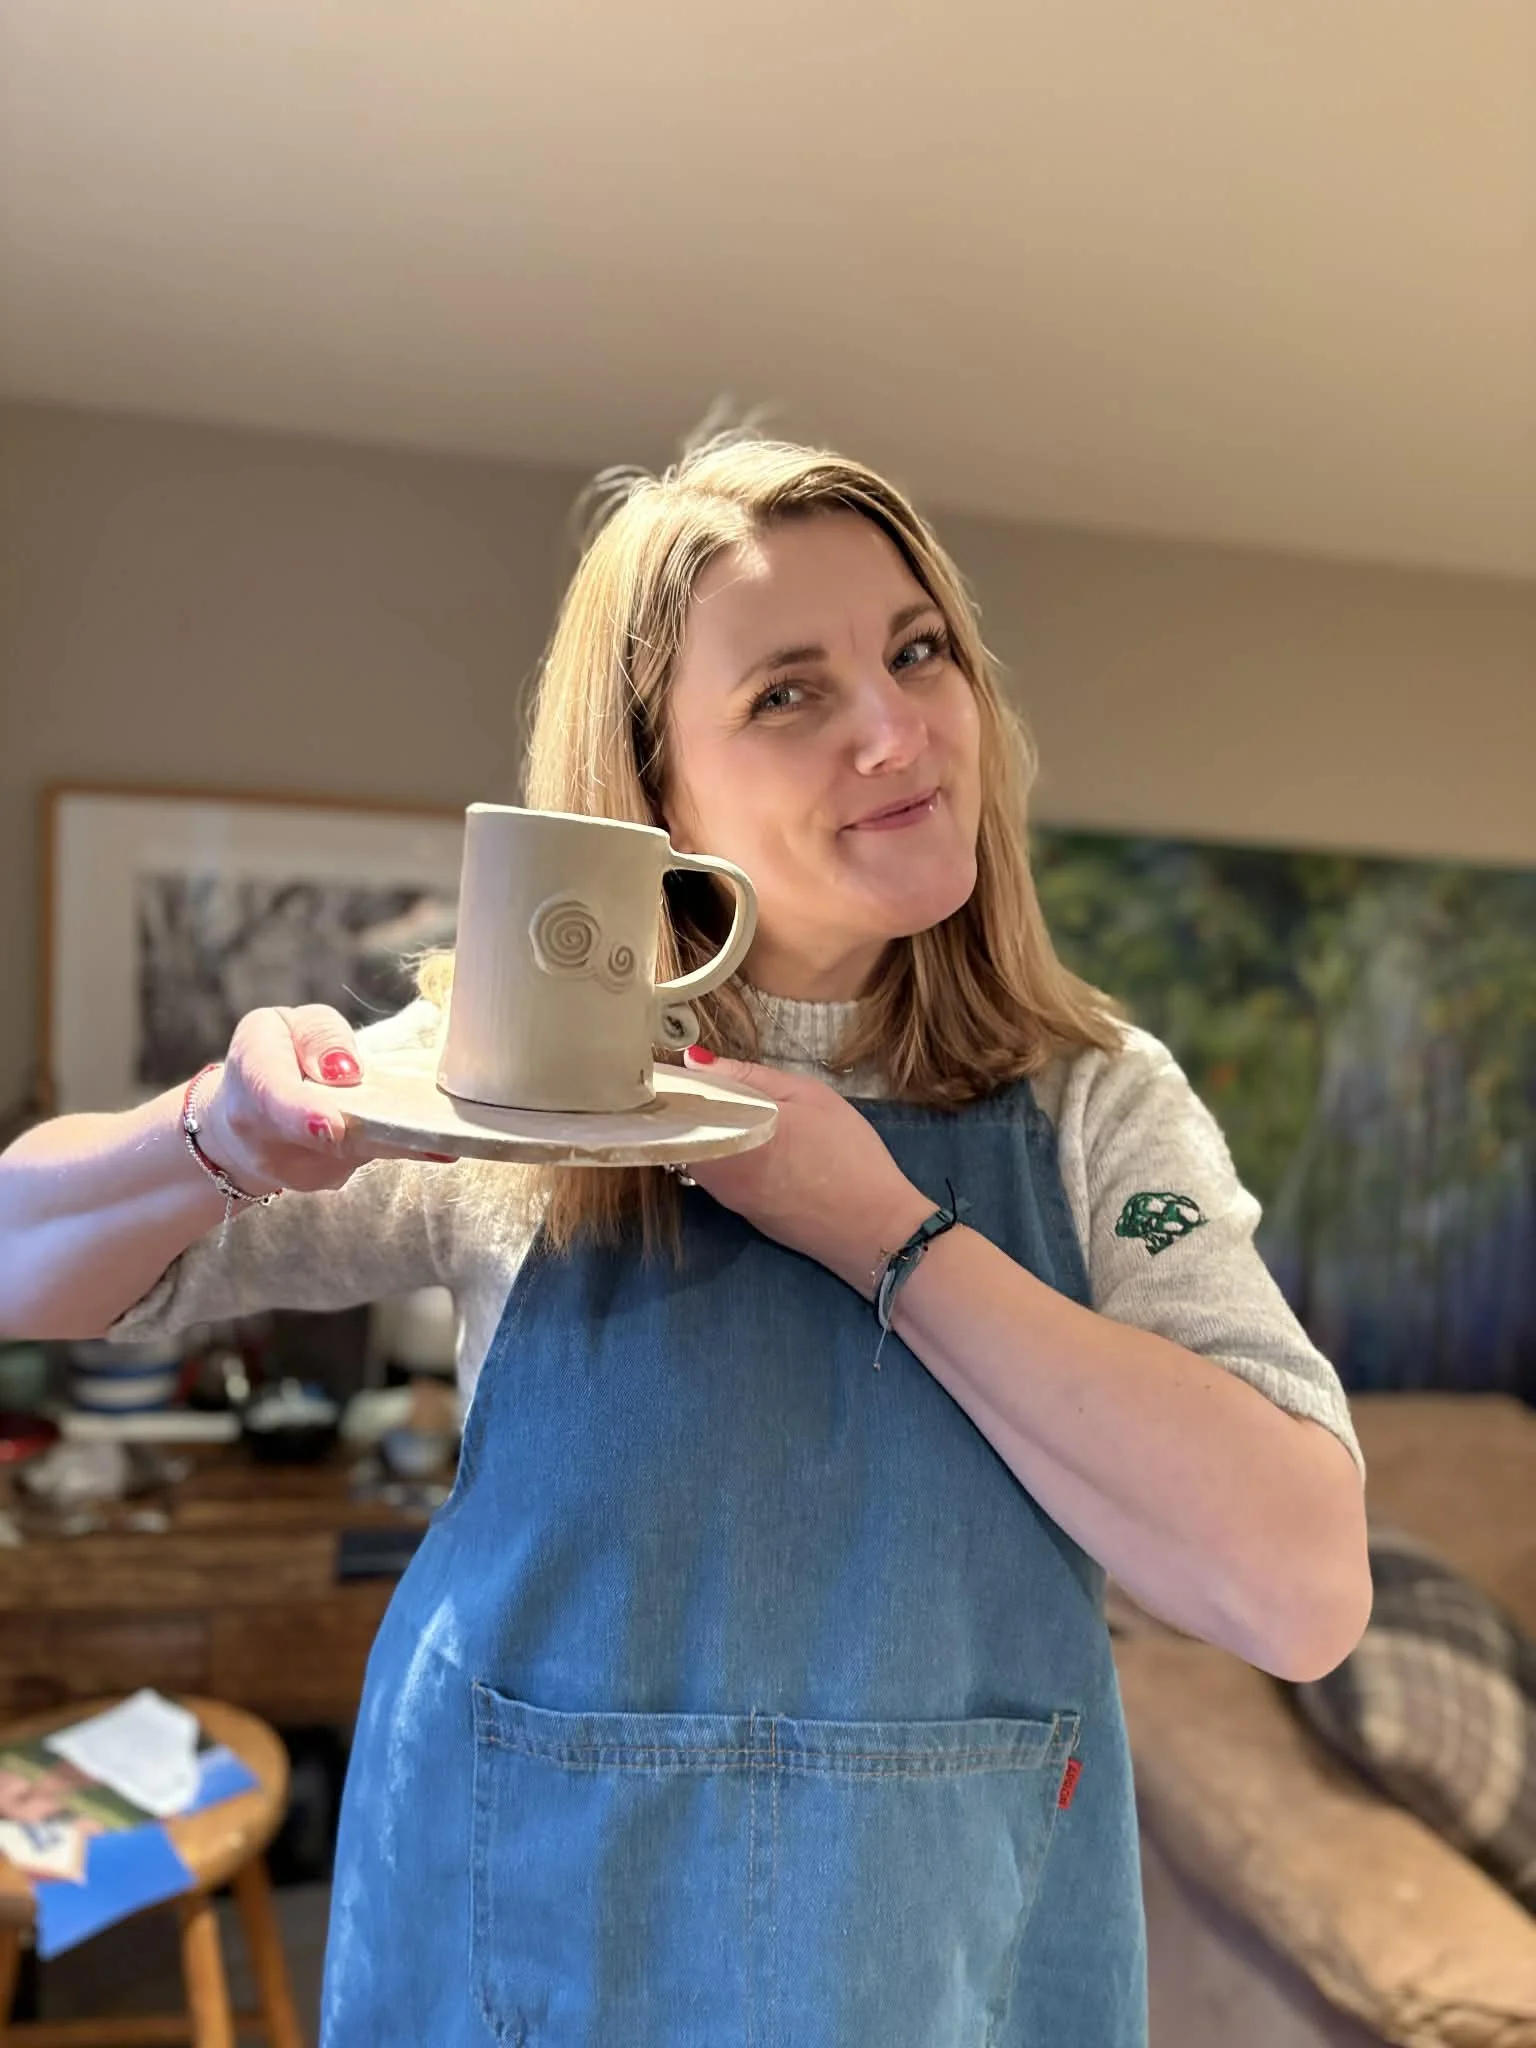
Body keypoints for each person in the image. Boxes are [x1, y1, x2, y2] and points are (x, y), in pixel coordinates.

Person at [0, 433, 1370, 2048]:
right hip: (530, 1950)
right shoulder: (528, 1080)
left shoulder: (1096, 1109)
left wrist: (886, 1235)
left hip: (930, 1967)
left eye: (918, 650)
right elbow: (31, 1262)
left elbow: (1299, 1591)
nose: (895, 726)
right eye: (789, 692)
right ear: (654, 792)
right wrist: (217, 1140)